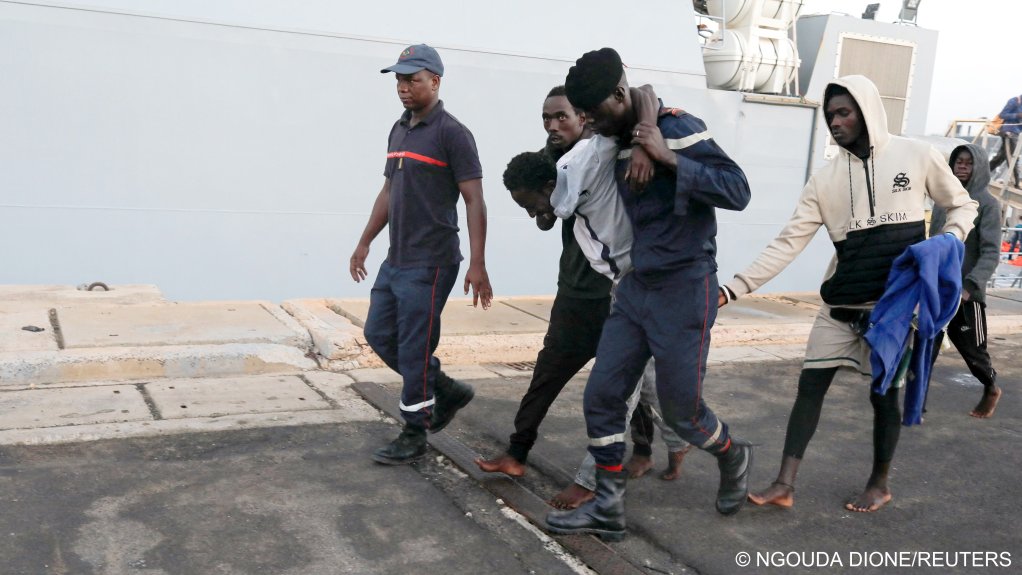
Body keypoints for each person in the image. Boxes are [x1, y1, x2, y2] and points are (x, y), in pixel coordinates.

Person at [720, 75, 978, 513]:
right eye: (830, 115)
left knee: (883, 396)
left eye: (844, 112)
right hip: (840, 306)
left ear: (867, 111)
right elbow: (787, 243)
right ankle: (784, 483)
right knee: (809, 386)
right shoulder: (824, 181)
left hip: (893, 309)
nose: (835, 122)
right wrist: (731, 289)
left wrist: (949, 238)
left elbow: (962, 204)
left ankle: (879, 483)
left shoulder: (915, 155)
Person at [546, 47, 753, 542]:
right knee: (602, 396)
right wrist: (638, 139)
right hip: (638, 288)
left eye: (596, 115)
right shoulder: (616, 135)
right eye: (586, 118)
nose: (590, 126)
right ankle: (608, 510)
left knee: (684, 413)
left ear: (618, 96)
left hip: (686, 286)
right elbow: (641, 98)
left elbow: (738, 190)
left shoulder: (678, 129)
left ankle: (734, 454)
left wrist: (666, 157)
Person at [475, 87, 691, 511]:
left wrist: (647, 147)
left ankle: (650, 450)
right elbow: (543, 213)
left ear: (585, 118)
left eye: (561, 117)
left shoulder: (609, 147)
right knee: (549, 373)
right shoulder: (549, 159)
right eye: (546, 118)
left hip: (618, 290)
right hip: (575, 288)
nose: (553, 126)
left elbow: (645, 95)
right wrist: (542, 207)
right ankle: (517, 453)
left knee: (630, 387)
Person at [350, 44, 493, 465]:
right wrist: (364, 242)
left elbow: (474, 200)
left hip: (431, 261)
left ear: (435, 80)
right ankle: (445, 389)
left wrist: (478, 262)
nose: (404, 87)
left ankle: (415, 431)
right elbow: (389, 190)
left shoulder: (452, 133)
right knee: (378, 333)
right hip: (396, 259)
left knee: (414, 347)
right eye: (399, 79)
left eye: (413, 79)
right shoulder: (399, 130)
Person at [929, 144, 1002, 418]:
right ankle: (916, 404)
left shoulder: (988, 205)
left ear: (979, 167)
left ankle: (991, 386)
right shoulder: (942, 201)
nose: (961, 166)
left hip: (966, 292)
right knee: (925, 346)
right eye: (958, 161)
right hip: (936, 288)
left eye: (968, 163)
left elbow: (991, 252)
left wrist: (970, 286)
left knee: (974, 352)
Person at [989, 94, 1021, 186]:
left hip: (1017, 134)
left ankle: (979, 173)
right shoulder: (1015, 101)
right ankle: (1016, 183)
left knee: (1000, 158)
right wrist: (1018, 115)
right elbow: (1003, 114)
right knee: (1012, 158)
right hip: (1009, 133)